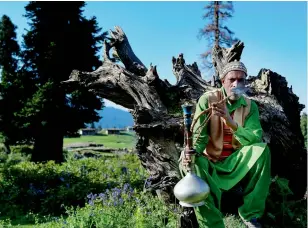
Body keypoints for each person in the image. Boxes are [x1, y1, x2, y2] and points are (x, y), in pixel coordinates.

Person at [180, 60, 271, 228]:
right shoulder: (208, 100)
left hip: (237, 162)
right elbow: (199, 139)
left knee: (262, 150)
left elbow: (254, 138)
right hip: (212, 163)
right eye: (232, 80)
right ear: (223, 81)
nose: (236, 84)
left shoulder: (250, 106)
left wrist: (230, 121)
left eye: (241, 80)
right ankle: (212, 223)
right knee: (194, 161)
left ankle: (251, 215)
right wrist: (189, 154)